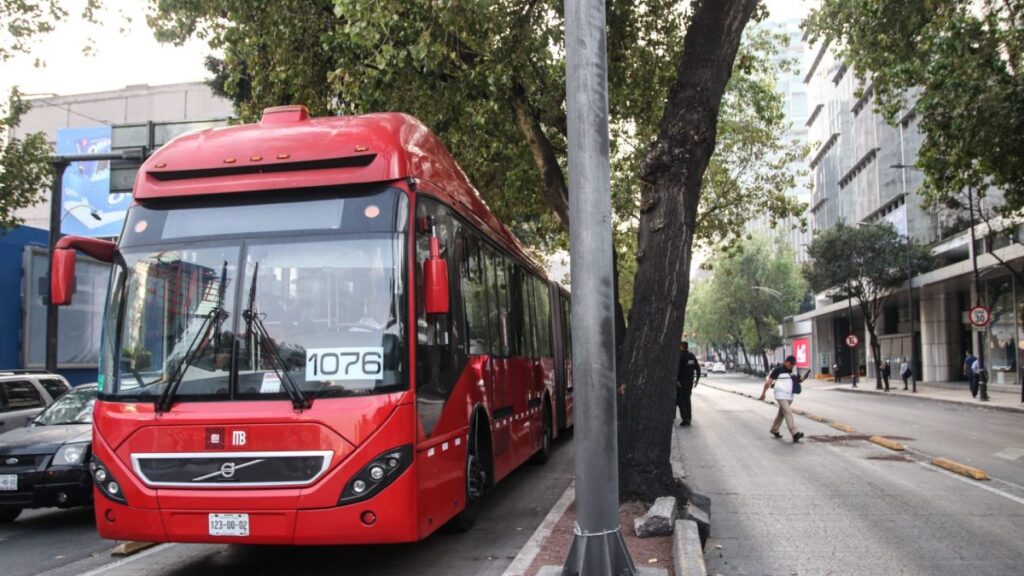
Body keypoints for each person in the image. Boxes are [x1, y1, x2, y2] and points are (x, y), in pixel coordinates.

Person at [760, 355, 804, 442]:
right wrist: (763, 393)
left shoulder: (794, 370)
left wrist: (802, 379)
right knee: (788, 412)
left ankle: (774, 429)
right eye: (791, 364)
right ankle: (795, 433)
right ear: (786, 362)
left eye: (794, 364)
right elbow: (768, 382)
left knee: (782, 414)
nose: (792, 366)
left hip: (790, 396)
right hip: (780, 395)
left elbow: (798, 381)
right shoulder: (778, 370)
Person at [676, 341, 701, 426]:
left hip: (681, 383)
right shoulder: (692, 356)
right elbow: (697, 368)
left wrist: (677, 381)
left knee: (680, 400)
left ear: (682, 347)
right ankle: (689, 417)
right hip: (689, 382)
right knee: (687, 400)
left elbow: (677, 369)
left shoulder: (681, 356)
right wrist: (697, 379)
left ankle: (685, 418)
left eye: (679, 346)